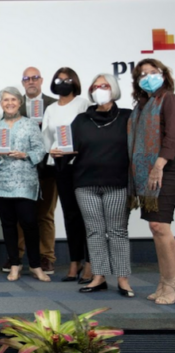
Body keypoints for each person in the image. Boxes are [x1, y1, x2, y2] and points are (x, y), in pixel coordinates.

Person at [52, 74, 134, 296]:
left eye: (104, 86)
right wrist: (58, 153)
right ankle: (98, 277)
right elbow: (68, 150)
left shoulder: (128, 117)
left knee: (117, 231)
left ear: (114, 89)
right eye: (95, 86)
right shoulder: (81, 120)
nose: (99, 89)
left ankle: (123, 279)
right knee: (94, 231)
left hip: (117, 183)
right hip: (85, 183)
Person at [0, 87, 49, 282]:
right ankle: (15, 264)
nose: (9, 103)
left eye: (13, 99)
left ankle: (36, 266)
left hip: (25, 182)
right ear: (1, 103)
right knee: (8, 225)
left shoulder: (30, 125)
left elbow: (41, 150)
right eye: (6, 100)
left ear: (20, 102)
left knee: (29, 224)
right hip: (1, 182)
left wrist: (26, 155)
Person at [128, 58, 175, 305]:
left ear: (163, 74)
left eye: (152, 72)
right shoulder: (143, 106)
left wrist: (159, 164)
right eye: (142, 74)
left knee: (160, 227)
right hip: (148, 173)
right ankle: (163, 280)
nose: (147, 76)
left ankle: (171, 284)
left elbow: (173, 135)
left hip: (166, 169)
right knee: (156, 228)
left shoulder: (168, 98)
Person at [41, 67, 92, 283]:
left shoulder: (83, 104)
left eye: (67, 79)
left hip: (80, 164)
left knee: (87, 215)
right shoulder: (51, 108)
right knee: (70, 215)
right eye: (59, 80)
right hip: (59, 164)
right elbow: (46, 136)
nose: (62, 83)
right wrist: (50, 151)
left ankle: (90, 263)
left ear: (75, 82)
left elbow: (90, 133)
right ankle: (74, 262)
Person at [9, 67, 58, 274]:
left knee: (45, 214)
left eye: (34, 78)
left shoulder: (54, 105)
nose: (31, 82)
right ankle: (17, 256)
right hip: (21, 169)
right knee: (21, 214)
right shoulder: (14, 104)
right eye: (26, 79)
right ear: (22, 82)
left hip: (48, 167)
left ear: (41, 80)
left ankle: (46, 257)